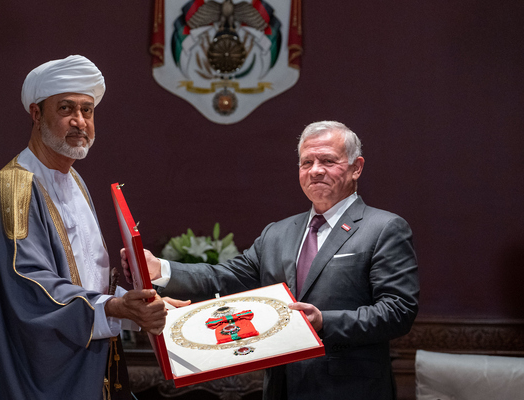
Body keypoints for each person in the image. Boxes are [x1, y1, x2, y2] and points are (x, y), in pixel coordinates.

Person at [122, 121, 419, 400]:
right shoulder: (278, 233)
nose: (315, 170)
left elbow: (398, 311)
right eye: (307, 162)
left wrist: (323, 321)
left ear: (357, 167)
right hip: (282, 386)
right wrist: (161, 269)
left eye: (328, 161)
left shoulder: (384, 228)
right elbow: (223, 277)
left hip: (351, 388)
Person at [0, 55, 176, 400]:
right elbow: (29, 287)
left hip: (90, 362)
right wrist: (114, 308)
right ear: (36, 114)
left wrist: (141, 305)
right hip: (41, 376)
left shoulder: (73, 178)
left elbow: (86, 281)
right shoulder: (15, 188)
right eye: (66, 109)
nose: (80, 121)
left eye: (87, 110)